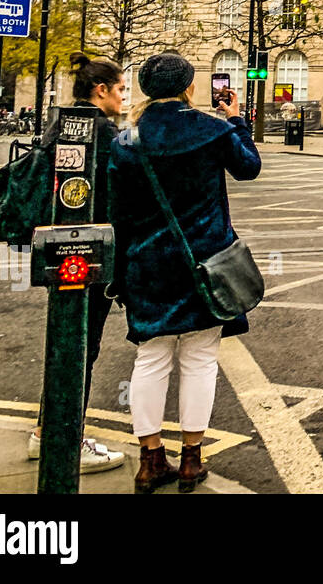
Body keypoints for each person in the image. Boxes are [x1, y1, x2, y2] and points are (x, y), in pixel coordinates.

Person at [108, 52, 261, 494]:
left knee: (151, 359)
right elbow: (248, 168)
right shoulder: (212, 130)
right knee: (199, 360)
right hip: (205, 265)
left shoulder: (127, 141)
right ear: (189, 89)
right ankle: (192, 459)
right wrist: (236, 120)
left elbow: (119, 216)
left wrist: (119, 276)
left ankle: (150, 459)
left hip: (148, 266)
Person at [28, 53, 128, 475]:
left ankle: (46, 431)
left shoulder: (63, 124)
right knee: (81, 347)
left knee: (69, 344)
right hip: (89, 255)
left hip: (60, 250)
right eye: (121, 89)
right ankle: (64, 439)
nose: (125, 97)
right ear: (101, 90)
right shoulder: (104, 132)